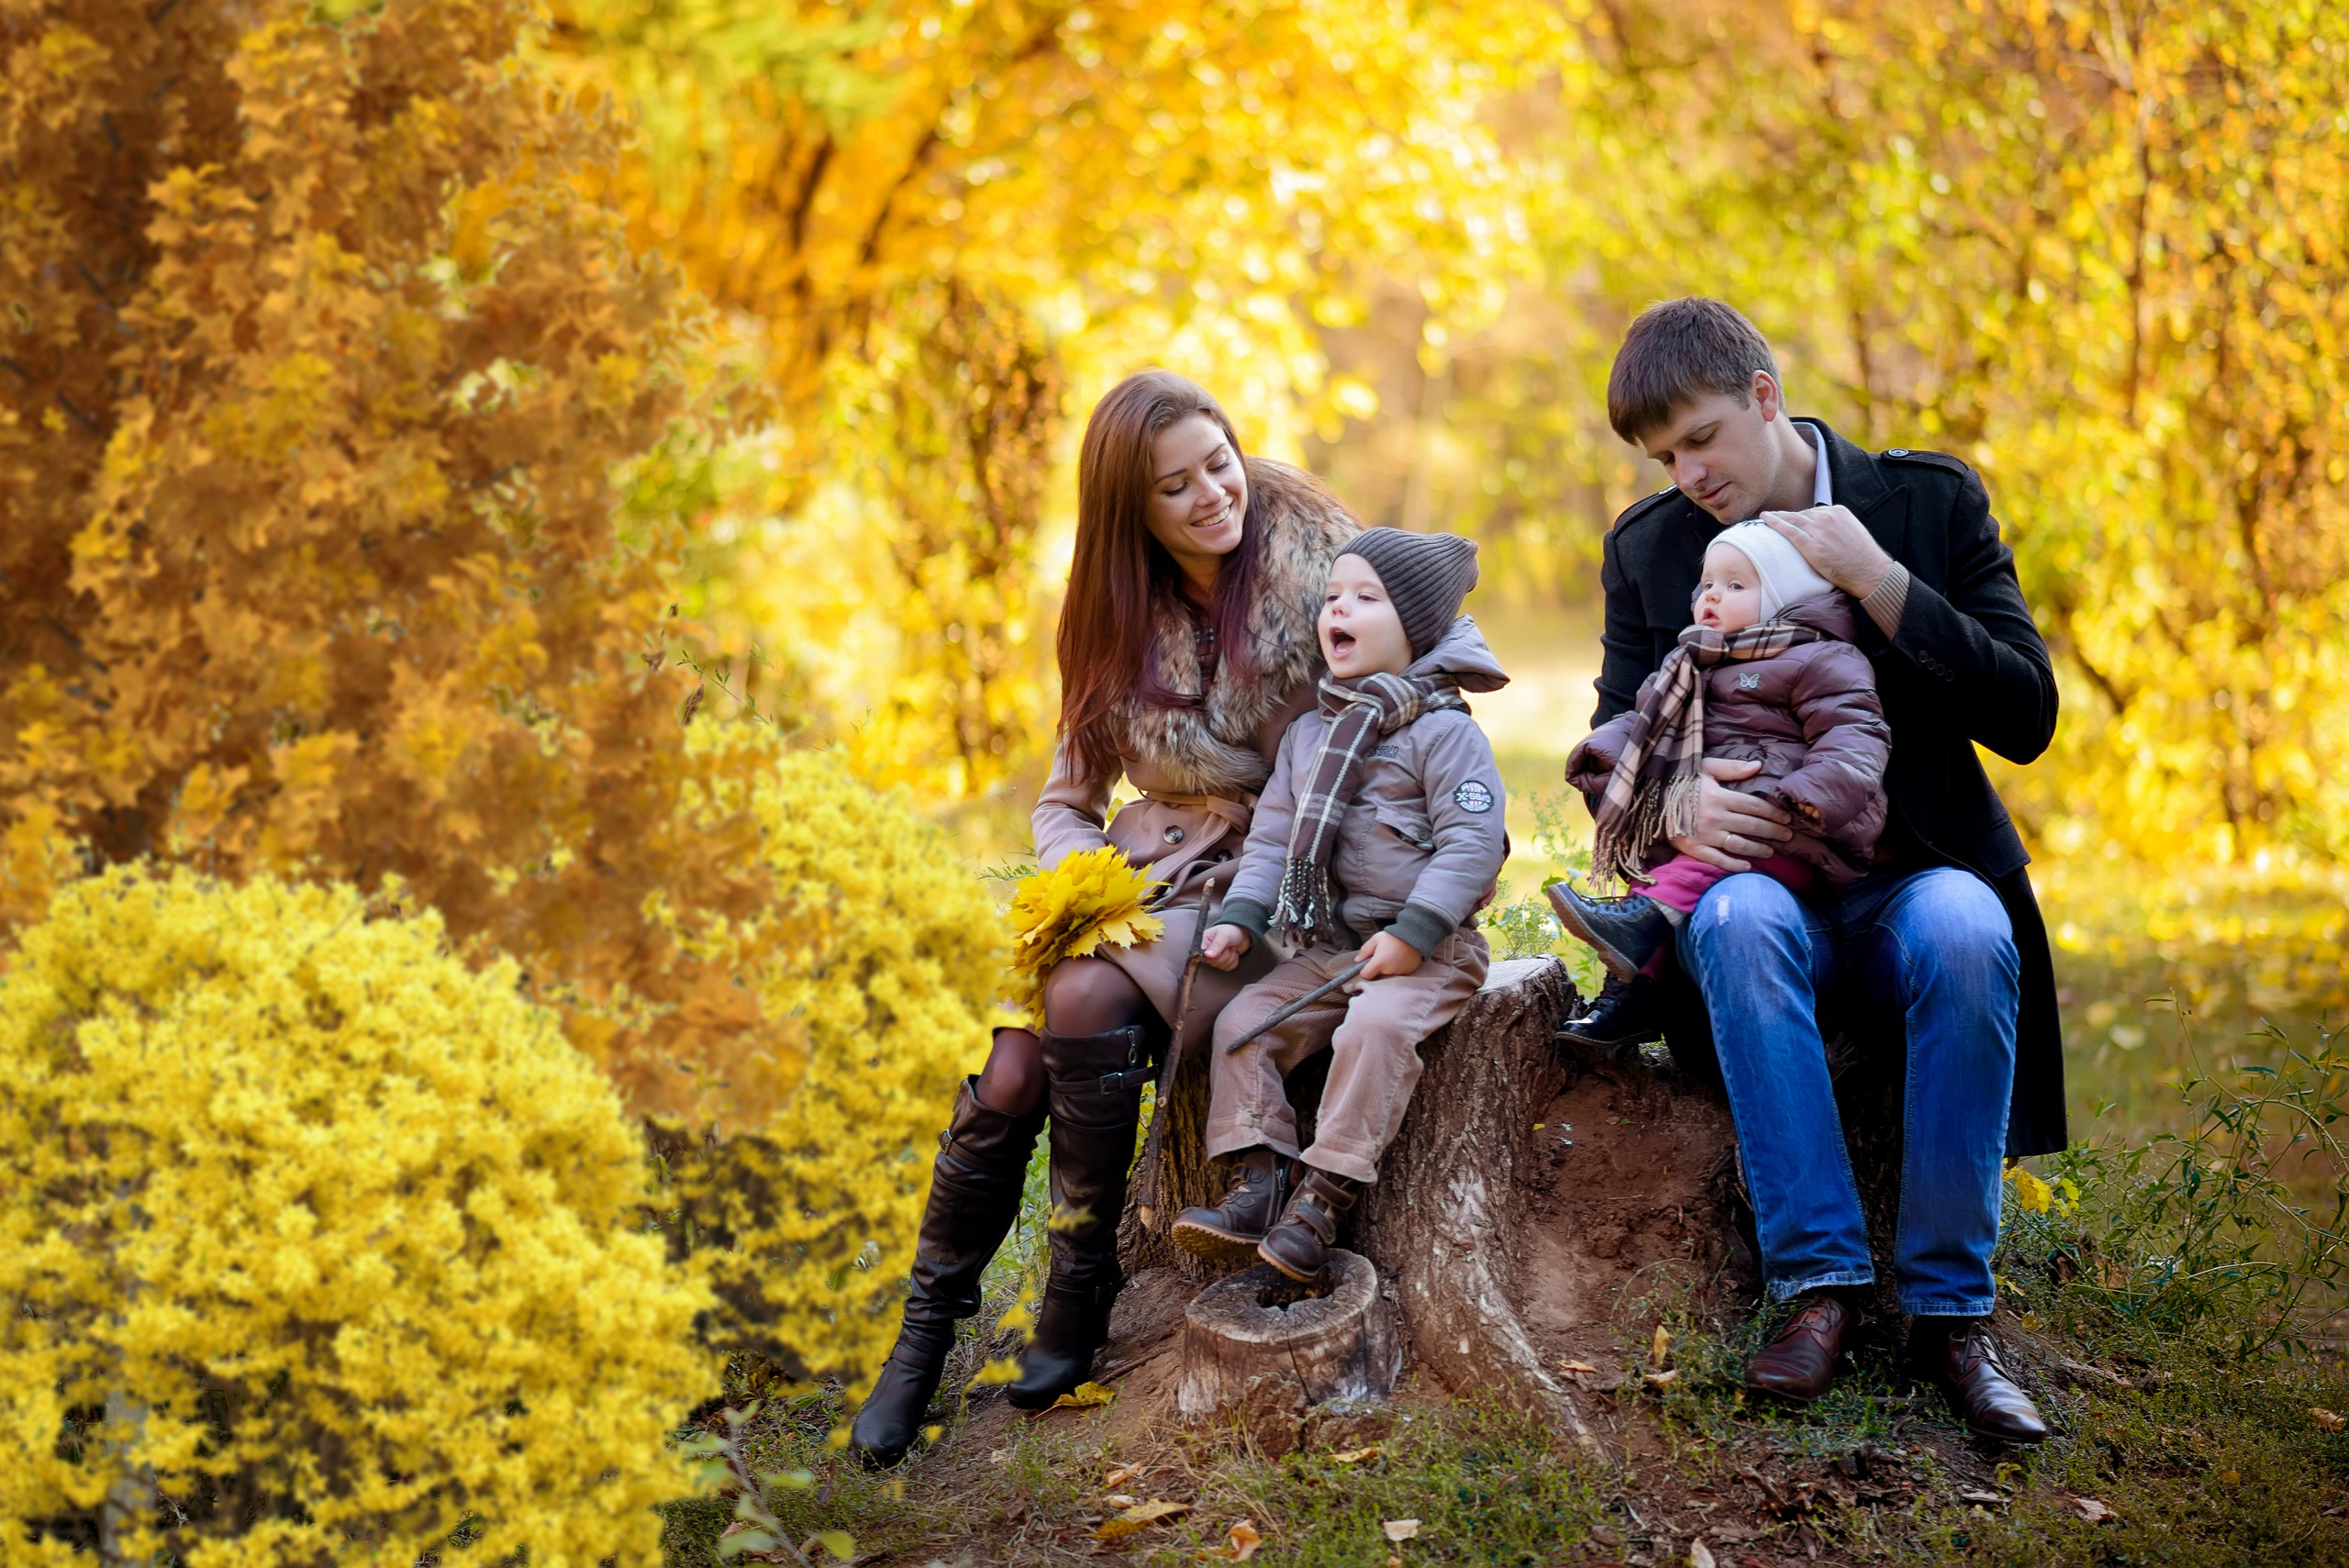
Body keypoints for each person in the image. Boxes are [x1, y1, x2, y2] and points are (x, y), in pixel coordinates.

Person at [847, 372, 1360, 1468]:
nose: (1209, 496)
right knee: (1018, 1062)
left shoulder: (1320, 564)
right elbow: (1063, 801)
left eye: (1217, 464)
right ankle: (928, 1331)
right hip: (1152, 872)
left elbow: (1405, 712)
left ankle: (1073, 1292)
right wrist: (1089, 882)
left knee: (1077, 993)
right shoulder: (1107, 614)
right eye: (1173, 487)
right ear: (1132, 510)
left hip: (1274, 886)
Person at [1587, 298, 2061, 1443]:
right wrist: (1671, 799)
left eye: (1701, 437)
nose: (1687, 471)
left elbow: (2027, 712)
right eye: (1664, 456)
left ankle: (1952, 1316)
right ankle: (1817, 1290)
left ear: (1764, 394)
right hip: (1767, 893)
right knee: (1740, 919)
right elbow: (1610, 741)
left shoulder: (1923, 501)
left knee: (1963, 926)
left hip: (1915, 881)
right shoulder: (1652, 550)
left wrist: (1884, 581)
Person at [1170, 528, 1508, 1281]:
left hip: (1427, 951)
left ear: (1414, 627)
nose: (1338, 612)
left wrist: (1415, 936)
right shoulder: (1309, 736)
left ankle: (1325, 1196)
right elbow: (1271, 840)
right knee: (1242, 1024)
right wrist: (1240, 918)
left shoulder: (1442, 733)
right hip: (1334, 945)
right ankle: (1260, 1180)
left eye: (1365, 598)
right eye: (1331, 599)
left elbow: (1472, 844)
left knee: (1374, 1029)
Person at [1549, 519, 1889, 980]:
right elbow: (1642, 721)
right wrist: (1603, 750)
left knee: (1676, 880)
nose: (1711, 595)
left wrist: (1800, 797)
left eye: (1734, 585)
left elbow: (1854, 740)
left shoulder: (1821, 658)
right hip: (1724, 827)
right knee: (1659, 881)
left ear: (1783, 598)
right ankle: (1628, 997)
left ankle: (1636, 934)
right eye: (1706, 583)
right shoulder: (1690, 665)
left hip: (1788, 832)